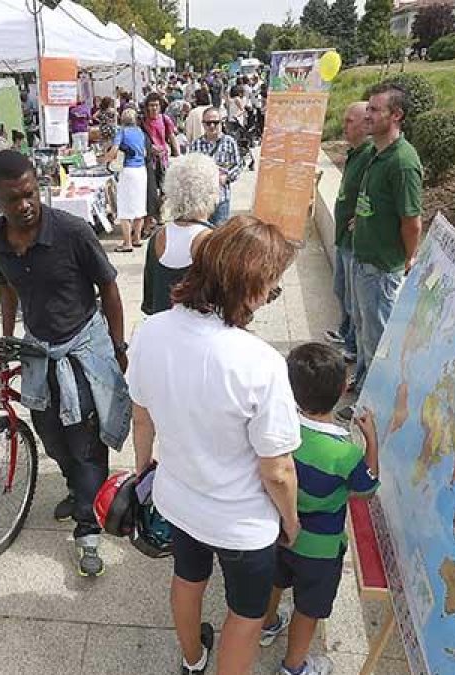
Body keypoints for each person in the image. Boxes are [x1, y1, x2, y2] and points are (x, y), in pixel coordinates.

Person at [128, 215, 302, 675]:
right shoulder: (260, 362)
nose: (272, 292)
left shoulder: (150, 331)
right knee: (245, 616)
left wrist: (143, 473)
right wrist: (291, 520)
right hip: (242, 522)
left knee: (188, 578)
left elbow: (142, 417)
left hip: (178, 499)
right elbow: (277, 470)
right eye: (272, 284)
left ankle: (193, 659)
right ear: (251, 289)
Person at [0, 151, 131, 578]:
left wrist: (118, 346)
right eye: (13, 199)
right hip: (38, 350)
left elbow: (109, 288)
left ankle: (88, 526)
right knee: (51, 436)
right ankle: (78, 489)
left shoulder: (72, 231)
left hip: (81, 347)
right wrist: (8, 337)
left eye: (30, 194)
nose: (25, 204)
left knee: (85, 440)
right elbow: (7, 287)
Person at [259, 343, 380, 675]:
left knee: (274, 581)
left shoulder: (281, 430)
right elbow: (366, 488)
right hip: (320, 549)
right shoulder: (345, 453)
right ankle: (293, 666)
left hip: (279, 530)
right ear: (342, 389)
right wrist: (371, 442)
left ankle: (267, 624)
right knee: (309, 607)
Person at [346, 83, 423, 416]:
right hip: (363, 259)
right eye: (368, 108)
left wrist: (408, 258)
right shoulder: (377, 153)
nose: (368, 115)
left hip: (380, 268)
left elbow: (412, 222)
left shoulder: (402, 163)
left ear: (396, 115)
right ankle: (363, 386)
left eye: (375, 110)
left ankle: (374, 408)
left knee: (377, 341)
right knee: (363, 331)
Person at [325, 102, 373, 369]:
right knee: (340, 289)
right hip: (343, 237)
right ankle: (345, 332)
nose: (343, 126)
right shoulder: (356, 153)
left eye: (349, 121)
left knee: (354, 300)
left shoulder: (370, 155)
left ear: (366, 124)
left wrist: (361, 217)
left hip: (355, 241)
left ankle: (353, 346)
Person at [140, 154, 215, 315]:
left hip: (163, 326)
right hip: (200, 327)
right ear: (211, 193)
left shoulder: (157, 237)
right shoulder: (213, 241)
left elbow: (149, 301)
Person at [99, 108, 148, 253]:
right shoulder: (140, 132)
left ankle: (127, 243)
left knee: (125, 208)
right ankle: (137, 238)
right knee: (139, 206)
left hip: (128, 171)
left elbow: (114, 150)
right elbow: (144, 152)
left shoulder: (122, 132)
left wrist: (105, 159)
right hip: (141, 170)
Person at [187, 107, 242, 228]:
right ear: (203, 124)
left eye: (215, 122)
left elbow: (238, 166)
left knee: (219, 233)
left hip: (221, 198)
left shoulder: (229, 142)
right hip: (201, 200)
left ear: (221, 123)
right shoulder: (196, 145)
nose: (212, 126)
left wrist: (226, 177)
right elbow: (190, 169)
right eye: (208, 123)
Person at [142, 92, 181, 232]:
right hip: (149, 160)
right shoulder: (143, 122)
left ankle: (160, 214)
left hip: (163, 159)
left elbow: (171, 136)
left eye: (156, 105)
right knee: (151, 190)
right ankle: (152, 216)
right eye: (151, 105)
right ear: (147, 107)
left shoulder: (165, 119)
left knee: (165, 189)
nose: (154, 108)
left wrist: (178, 155)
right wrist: (149, 147)